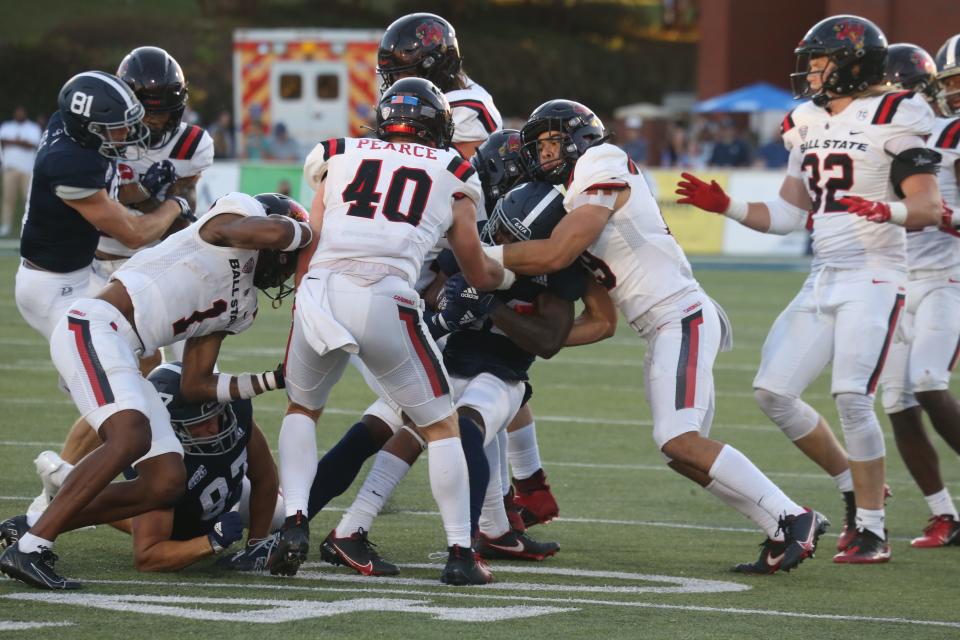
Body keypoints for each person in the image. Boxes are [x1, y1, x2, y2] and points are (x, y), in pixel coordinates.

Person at [484, 98, 826, 575]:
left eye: (549, 142)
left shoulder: (601, 161)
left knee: (679, 439)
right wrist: (531, 338)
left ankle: (794, 515)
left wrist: (482, 258)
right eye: (537, 146)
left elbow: (558, 252)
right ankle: (778, 526)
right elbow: (602, 323)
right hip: (661, 325)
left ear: (577, 136)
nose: (543, 155)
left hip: (680, 315)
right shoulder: (575, 198)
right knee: (681, 453)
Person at [675, 15, 943, 563]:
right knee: (773, 391)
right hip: (824, 274)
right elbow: (790, 213)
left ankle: (872, 528)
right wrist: (725, 204)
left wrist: (885, 209)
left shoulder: (897, 114)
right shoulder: (804, 119)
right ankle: (853, 484)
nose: (812, 72)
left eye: (821, 61)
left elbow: (929, 207)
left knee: (851, 395)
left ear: (852, 64)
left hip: (876, 274)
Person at [0, 191, 312, 590]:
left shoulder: (244, 305)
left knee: (164, 482)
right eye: (287, 258)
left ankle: (29, 527)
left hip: (127, 350)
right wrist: (313, 232)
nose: (284, 271)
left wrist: (270, 380)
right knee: (129, 437)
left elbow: (195, 383)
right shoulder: (233, 219)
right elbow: (259, 229)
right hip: (96, 325)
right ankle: (31, 549)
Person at [272, 77, 510, 586]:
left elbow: (310, 243)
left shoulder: (336, 153)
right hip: (386, 297)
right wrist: (506, 276)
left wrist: (303, 303)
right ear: (439, 126)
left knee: (302, 408)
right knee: (441, 425)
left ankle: (293, 522)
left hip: (321, 289)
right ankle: (461, 553)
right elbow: (476, 269)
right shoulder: (453, 169)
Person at [318, 181, 617, 576]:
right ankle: (302, 522)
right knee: (383, 426)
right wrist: (450, 309)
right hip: (441, 355)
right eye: (502, 228)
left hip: (500, 373)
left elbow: (547, 341)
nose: (503, 239)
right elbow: (429, 303)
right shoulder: (469, 242)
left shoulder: (555, 273)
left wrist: (491, 305)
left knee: (462, 429)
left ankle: (467, 542)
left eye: (516, 236)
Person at [24, 47, 218, 520]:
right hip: (93, 267)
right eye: (137, 111)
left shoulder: (191, 143)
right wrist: (169, 202)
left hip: (146, 269)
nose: (144, 126)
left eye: (157, 110)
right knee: (136, 383)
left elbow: (153, 198)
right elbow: (130, 218)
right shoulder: (80, 150)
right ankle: (64, 491)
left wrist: (164, 197)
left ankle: (67, 484)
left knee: (139, 383)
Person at [6, 363, 285, 572]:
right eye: (199, 423)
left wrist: (256, 546)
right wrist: (211, 542)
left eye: (216, 413)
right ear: (173, 426)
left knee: (282, 516)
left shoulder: (233, 413)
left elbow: (265, 477)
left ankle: (65, 479)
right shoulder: (162, 466)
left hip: (228, 493)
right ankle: (61, 488)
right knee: (134, 514)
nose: (214, 427)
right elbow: (148, 555)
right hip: (181, 518)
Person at [15, 71, 186, 346]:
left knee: (145, 343)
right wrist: (176, 205)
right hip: (52, 289)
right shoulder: (71, 164)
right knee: (103, 365)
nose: (127, 132)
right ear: (90, 128)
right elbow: (133, 234)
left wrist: (142, 192)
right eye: (117, 126)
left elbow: (109, 194)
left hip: (82, 275)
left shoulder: (75, 132)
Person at [878, 40, 960, 548]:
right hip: (897, 282)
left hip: (948, 279)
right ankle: (944, 514)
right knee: (896, 400)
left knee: (929, 382)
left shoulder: (949, 133)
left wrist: (938, 215)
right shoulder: (885, 135)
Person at [0, 105, 42, 236]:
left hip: (27, 169)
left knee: (29, 199)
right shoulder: (6, 126)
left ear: (25, 114)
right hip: (10, 168)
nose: (19, 114)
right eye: (17, 113)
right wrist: (21, 142)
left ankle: (31, 225)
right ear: (14, 114)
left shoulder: (33, 127)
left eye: (21, 113)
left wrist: (12, 141)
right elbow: (3, 142)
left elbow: (33, 144)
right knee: (8, 199)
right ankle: (6, 226)